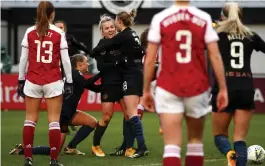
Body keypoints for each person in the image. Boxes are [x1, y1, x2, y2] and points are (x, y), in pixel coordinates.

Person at [142, 0, 228, 166]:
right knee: (195, 141)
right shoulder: (203, 18)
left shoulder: (160, 18)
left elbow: (150, 59)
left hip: (168, 87)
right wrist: (223, 88)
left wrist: (146, 90)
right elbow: (215, 56)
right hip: (197, 87)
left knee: (171, 145)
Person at [211, 2, 265, 166]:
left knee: (220, 135)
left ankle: (229, 153)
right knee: (239, 138)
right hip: (246, 87)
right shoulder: (251, 35)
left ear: (222, 17)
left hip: (224, 88)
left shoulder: (217, 35)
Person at [17, 1, 73, 166]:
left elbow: (23, 59)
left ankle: (28, 158)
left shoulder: (29, 31)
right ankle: (53, 160)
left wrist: (21, 79)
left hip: (32, 80)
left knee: (30, 120)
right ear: (52, 14)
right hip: (53, 81)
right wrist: (69, 81)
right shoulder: (58, 32)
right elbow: (65, 61)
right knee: (54, 121)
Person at [10, 54, 101, 156]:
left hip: (69, 112)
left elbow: (94, 88)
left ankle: (71, 147)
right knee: (55, 150)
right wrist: (101, 74)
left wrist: (109, 86)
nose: (88, 64)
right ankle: (22, 150)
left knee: (92, 122)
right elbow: (87, 83)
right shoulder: (74, 73)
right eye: (86, 62)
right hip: (63, 115)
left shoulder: (75, 76)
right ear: (79, 64)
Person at [91, 9, 148, 158]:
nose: (110, 29)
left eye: (112, 27)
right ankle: (95, 145)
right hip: (109, 84)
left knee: (129, 115)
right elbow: (101, 67)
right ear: (102, 31)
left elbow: (135, 53)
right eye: (107, 28)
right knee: (107, 117)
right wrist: (117, 62)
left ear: (116, 26)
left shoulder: (121, 40)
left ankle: (128, 147)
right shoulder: (102, 45)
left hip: (124, 82)